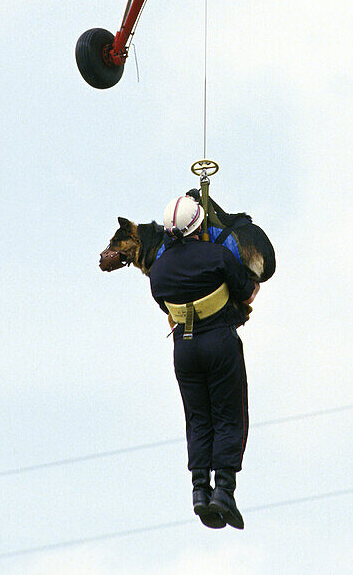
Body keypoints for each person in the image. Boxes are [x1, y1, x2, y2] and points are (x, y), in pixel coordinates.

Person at [149, 194, 260, 530]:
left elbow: (165, 308)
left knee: (198, 417)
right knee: (229, 414)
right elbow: (246, 291)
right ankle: (224, 491)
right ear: (200, 224)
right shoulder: (218, 255)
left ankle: (200, 489)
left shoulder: (158, 270)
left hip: (184, 349)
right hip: (218, 341)